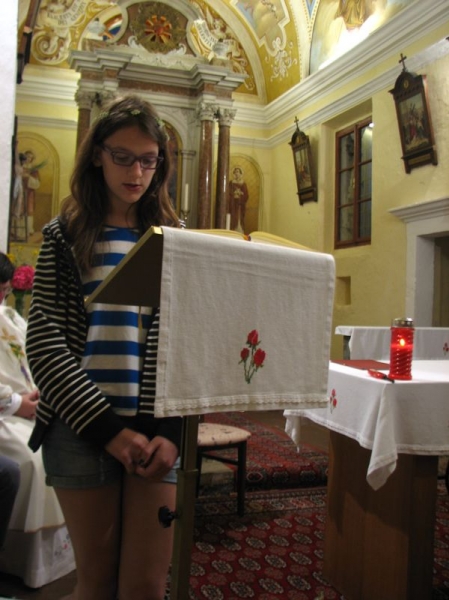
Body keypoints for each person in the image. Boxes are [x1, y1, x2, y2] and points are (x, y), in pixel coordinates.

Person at [26, 94, 182, 600]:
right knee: (96, 585)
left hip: (155, 430)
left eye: (148, 160)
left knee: (146, 587)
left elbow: (186, 339)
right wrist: (110, 432)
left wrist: (171, 431)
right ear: (97, 155)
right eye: (123, 157)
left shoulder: (174, 238)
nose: (136, 172)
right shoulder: (64, 235)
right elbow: (45, 343)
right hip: (81, 428)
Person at [0, 251, 74, 587]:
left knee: (64, 444)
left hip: (28, 406)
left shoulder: (10, 317)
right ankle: (18, 561)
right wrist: (16, 403)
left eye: (5, 292)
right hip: (6, 413)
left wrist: (42, 392)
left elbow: (34, 354)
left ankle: (56, 561)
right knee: (32, 458)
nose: (2, 299)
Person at [229, 166, 249, 232]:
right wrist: (234, 194)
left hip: (240, 205)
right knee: (233, 218)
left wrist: (240, 194)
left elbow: (246, 195)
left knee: (240, 218)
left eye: (237, 172)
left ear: (240, 173)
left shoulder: (243, 184)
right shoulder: (231, 183)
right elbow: (228, 193)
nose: (236, 173)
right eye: (235, 172)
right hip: (233, 205)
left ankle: (240, 231)